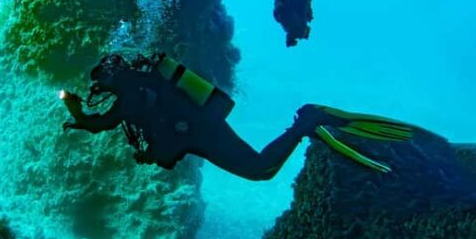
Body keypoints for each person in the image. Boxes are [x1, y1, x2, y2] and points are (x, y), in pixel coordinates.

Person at [60, 53, 416, 181]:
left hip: (200, 133)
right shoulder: (142, 85)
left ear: (114, 74)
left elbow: (102, 123)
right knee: (259, 168)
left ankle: (308, 122)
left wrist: (77, 113)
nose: (100, 88)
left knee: (260, 169)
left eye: (101, 81)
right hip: (201, 129)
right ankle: (307, 125)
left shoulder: (132, 95)